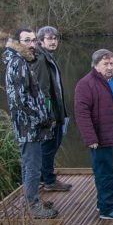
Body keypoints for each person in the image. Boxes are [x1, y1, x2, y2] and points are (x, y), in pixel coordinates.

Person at [73, 49, 113, 220]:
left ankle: (104, 201)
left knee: (112, 170)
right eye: (105, 64)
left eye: (111, 63)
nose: (110, 67)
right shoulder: (86, 84)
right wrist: (90, 138)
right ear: (95, 65)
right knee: (104, 173)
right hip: (100, 139)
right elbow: (81, 113)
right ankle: (106, 210)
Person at [2, 28, 58, 218]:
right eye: (27, 41)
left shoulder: (22, 61)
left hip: (29, 124)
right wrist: (41, 118)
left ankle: (31, 200)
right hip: (28, 126)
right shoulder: (17, 63)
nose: (32, 44)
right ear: (17, 43)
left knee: (30, 164)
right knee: (32, 165)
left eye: (34, 40)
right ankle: (33, 206)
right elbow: (19, 100)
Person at [31, 25, 72, 192]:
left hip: (56, 110)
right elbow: (42, 90)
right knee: (49, 145)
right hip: (50, 113)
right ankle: (48, 180)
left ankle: (44, 177)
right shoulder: (41, 59)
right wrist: (49, 115)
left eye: (55, 38)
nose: (53, 41)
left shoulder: (47, 56)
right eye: (49, 38)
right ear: (41, 41)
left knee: (53, 144)